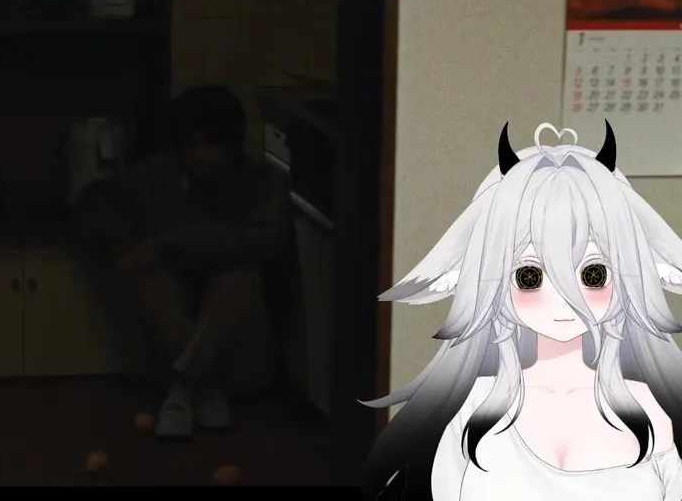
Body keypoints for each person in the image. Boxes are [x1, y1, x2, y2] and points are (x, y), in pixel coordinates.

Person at [363, 123, 682, 501]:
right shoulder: (470, 410)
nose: (565, 300)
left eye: (593, 274)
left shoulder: (653, 411)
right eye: (530, 276)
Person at [74, 85, 290, 440]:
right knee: (149, 275)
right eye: (192, 145)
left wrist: (166, 246)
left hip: (242, 358)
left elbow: (262, 241)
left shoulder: (264, 182)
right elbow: (93, 201)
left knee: (239, 276)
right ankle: (199, 387)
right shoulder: (159, 177)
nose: (203, 155)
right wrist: (125, 246)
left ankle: (187, 387)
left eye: (213, 144)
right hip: (170, 349)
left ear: (232, 144)